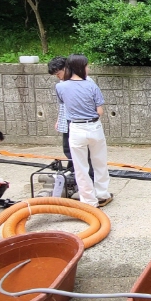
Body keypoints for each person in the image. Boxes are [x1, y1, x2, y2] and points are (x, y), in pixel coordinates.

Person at [55, 54, 112, 208]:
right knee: (99, 162)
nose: (88, 68)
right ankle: (102, 195)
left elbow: (64, 104)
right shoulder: (91, 84)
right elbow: (100, 111)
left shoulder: (60, 86)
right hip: (94, 127)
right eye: (86, 66)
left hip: (76, 128)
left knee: (81, 167)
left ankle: (89, 202)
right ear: (80, 67)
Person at [48, 56, 92, 177]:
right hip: (66, 119)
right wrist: (59, 119)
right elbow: (62, 105)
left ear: (67, 68)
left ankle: (84, 173)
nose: (58, 76)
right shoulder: (61, 84)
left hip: (78, 121)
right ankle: (73, 170)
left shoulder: (83, 81)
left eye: (58, 73)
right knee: (68, 148)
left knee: (81, 149)